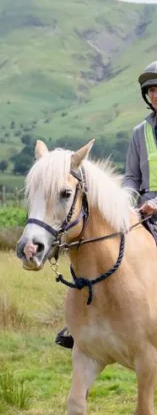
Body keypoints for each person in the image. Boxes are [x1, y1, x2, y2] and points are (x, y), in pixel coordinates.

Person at [55, 62, 157, 349]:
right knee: (101, 250)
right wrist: (125, 201)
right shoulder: (141, 132)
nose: (155, 94)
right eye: (151, 90)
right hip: (142, 210)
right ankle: (82, 323)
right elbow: (132, 176)